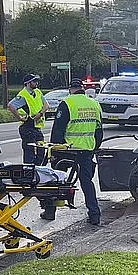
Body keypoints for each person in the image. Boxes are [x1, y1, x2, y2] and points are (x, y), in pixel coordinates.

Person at [46, 78, 103, 225]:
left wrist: (54, 151)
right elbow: (98, 131)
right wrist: (94, 148)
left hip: (68, 150)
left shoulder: (67, 104)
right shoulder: (94, 104)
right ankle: (94, 214)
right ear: (82, 89)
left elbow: (58, 130)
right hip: (87, 149)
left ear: (71, 90)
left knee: (57, 180)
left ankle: (50, 212)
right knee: (86, 182)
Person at [7, 74, 49, 165]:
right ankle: (28, 172)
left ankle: (37, 170)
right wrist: (19, 117)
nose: (37, 83)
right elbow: (11, 106)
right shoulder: (23, 95)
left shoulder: (38, 92)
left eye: (37, 81)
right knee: (29, 152)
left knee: (41, 150)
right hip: (27, 127)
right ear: (28, 83)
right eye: (34, 81)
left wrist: (40, 114)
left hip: (37, 127)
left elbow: (46, 105)